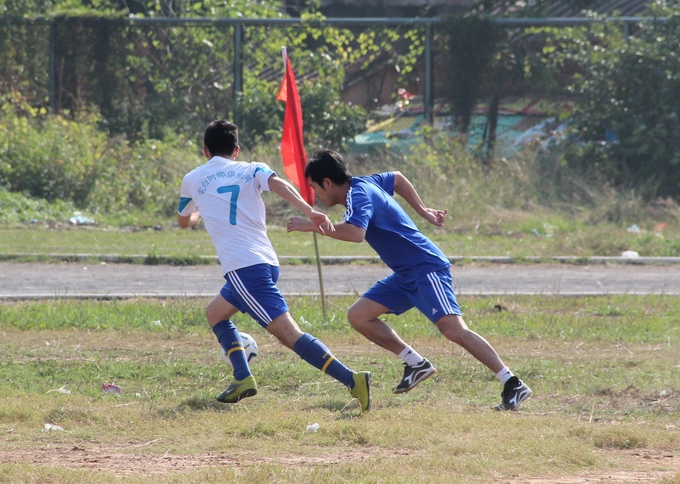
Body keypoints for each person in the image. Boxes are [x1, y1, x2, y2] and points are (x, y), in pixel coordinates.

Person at [287, 149, 531, 411]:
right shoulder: (366, 182)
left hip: (426, 268)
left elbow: (356, 233)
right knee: (359, 315)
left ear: (327, 182)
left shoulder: (358, 194)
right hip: (405, 274)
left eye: (314, 187)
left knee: (453, 330)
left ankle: (512, 382)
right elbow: (398, 178)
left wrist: (312, 226)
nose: (315, 195)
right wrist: (423, 211)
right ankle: (416, 363)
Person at [177, 121, 371, 412]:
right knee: (215, 313)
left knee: (290, 336)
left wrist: (198, 213)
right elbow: (278, 184)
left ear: (205, 150)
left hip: (243, 269)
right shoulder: (252, 168)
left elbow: (183, 220)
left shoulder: (193, 179)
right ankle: (242, 377)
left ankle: (352, 379)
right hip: (265, 262)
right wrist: (310, 210)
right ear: (236, 150)